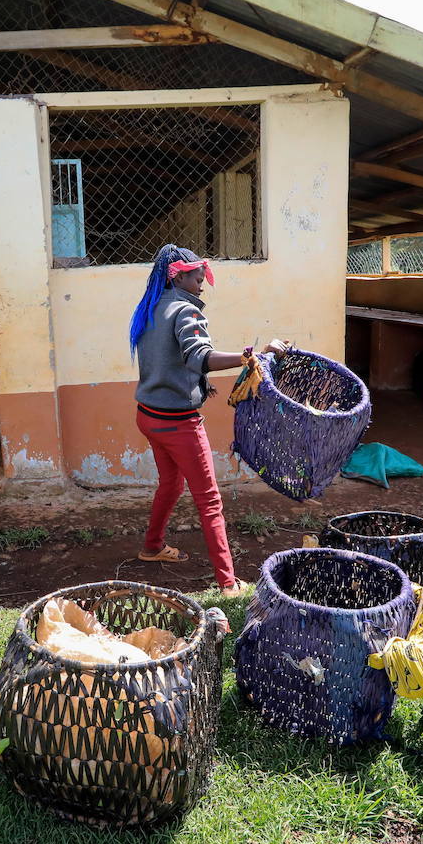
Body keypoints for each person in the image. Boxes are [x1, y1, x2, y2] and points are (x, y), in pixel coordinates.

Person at [130, 243, 286, 598]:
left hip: (149, 416)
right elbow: (201, 358)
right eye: (199, 277)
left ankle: (152, 547)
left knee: (170, 485)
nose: (203, 282)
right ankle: (229, 584)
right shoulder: (185, 311)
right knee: (210, 501)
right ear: (180, 275)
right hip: (178, 423)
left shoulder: (151, 308)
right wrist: (254, 356)